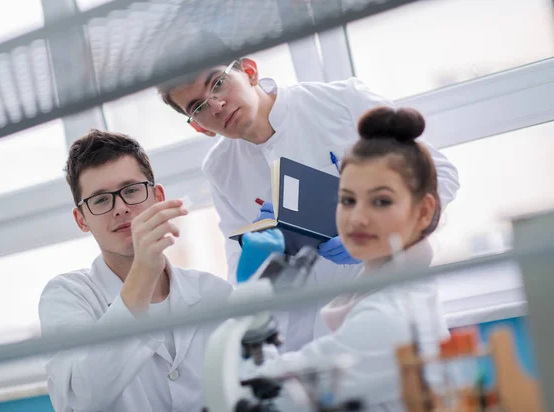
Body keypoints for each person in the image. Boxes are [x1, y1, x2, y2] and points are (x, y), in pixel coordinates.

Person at [159, 55, 459, 351]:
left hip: (392, 305)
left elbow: (441, 176)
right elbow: (240, 263)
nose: (215, 105)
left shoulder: (342, 102)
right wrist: (260, 266)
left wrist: (384, 238)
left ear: (249, 71)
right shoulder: (220, 168)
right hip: (304, 335)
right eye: (198, 107)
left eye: (218, 83)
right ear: (199, 127)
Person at [239, 106, 450, 410]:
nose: (357, 218)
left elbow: (265, 393)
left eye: (381, 201)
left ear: (424, 211)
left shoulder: (389, 317)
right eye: (347, 200)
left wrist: (250, 298)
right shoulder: (371, 292)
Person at [38, 130, 233, 412]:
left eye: (131, 190)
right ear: (82, 220)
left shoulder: (213, 293)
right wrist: (143, 271)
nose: (120, 208)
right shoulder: (67, 297)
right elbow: (81, 401)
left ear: (158, 196)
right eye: (101, 200)